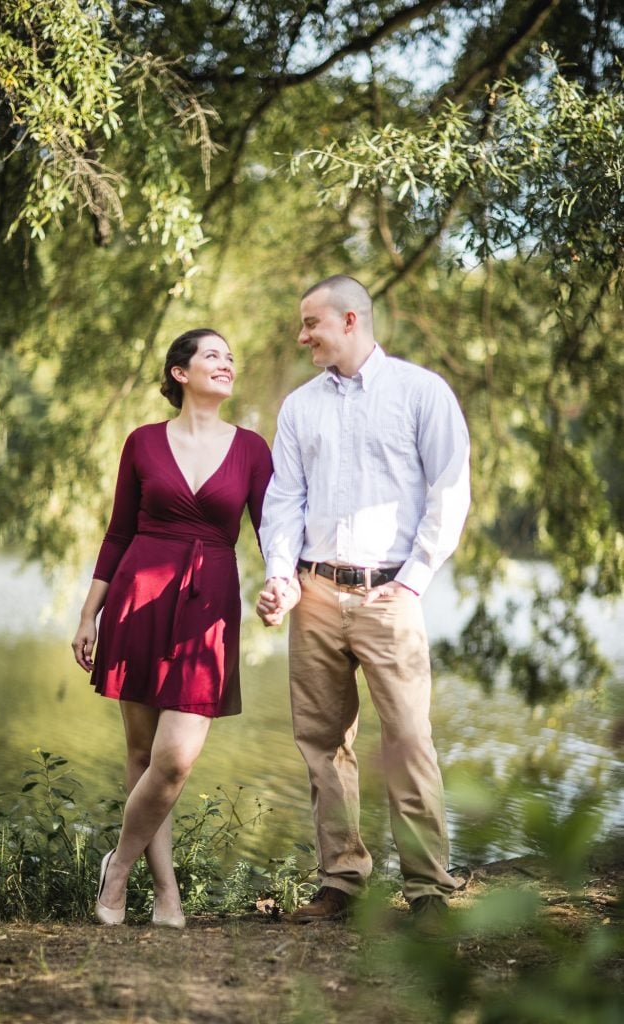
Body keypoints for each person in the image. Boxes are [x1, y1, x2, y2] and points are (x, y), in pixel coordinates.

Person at [257, 276, 470, 936]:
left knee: (407, 739)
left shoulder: (420, 392)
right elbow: (282, 503)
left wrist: (412, 579)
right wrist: (281, 576)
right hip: (315, 592)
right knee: (323, 744)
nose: (302, 336)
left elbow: (449, 490)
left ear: (349, 320)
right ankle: (340, 881)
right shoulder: (298, 407)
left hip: (389, 594)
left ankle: (427, 888)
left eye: (310, 323)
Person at [72, 328, 272, 926]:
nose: (227, 363)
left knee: (175, 759)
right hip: (138, 599)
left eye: (231, 356)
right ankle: (167, 896)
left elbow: (273, 532)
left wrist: (284, 582)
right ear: (179, 373)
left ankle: (117, 868)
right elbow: (117, 533)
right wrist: (90, 613)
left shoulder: (252, 450)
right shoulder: (141, 443)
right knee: (141, 753)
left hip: (207, 607)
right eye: (213, 355)